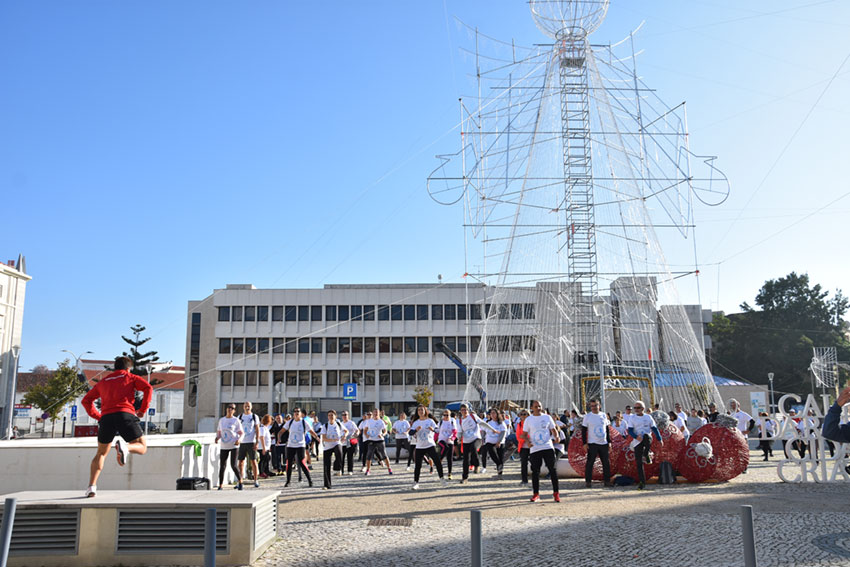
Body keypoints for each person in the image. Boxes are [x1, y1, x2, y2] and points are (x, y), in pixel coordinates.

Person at [81, 356, 152, 498]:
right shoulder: (130, 377)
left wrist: (98, 416)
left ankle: (91, 487)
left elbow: (86, 400)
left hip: (106, 418)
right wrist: (142, 410)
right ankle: (126, 448)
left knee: (101, 453)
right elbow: (148, 388)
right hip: (125, 414)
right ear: (128, 368)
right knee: (141, 447)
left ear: (115, 367)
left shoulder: (103, 382)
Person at [523, 400, 560, 502]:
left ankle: (556, 493)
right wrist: (527, 442)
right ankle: (536, 494)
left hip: (547, 446)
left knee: (552, 470)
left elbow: (554, 429)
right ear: (532, 408)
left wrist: (556, 436)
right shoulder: (528, 420)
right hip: (535, 448)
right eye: (535, 407)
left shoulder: (547, 417)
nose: (538, 408)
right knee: (535, 472)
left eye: (539, 406)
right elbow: (524, 434)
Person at [627, 401, 662, 490]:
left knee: (646, 436)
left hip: (647, 439)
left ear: (643, 409)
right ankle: (642, 482)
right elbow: (630, 430)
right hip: (638, 440)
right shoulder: (632, 418)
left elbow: (654, 428)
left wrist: (659, 439)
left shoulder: (648, 417)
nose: (636, 410)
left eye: (638, 408)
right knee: (639, 463)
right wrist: (635, 436)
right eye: (635, 408)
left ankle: (646, 453)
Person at [410, 405, 445, 490]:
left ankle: (442, 479)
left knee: (437, 462)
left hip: (430, 445)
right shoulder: (416, 422)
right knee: (418, 465)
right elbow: (410, 432)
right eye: (419, 410)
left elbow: (437, 430)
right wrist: (415, 430)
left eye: (422, 410)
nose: (421, 412)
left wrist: (432, 429)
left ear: (425, 411)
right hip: (419, 446)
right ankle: (416, 483)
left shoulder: (430, 421)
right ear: (417, 412)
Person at [582, 399, 611, 488]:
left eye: (596, 405)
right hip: (592, 443)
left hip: (603, 443)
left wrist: (609, 441)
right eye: (592, 406)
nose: (594, 407)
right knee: (590, 463)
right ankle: (588, 481)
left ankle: (607, 481)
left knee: (606, 463)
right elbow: (584, 430)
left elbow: (607, 429)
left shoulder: (603, 415)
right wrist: (584, 443)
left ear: (600, 406)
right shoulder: (587, 416)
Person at [215, 403, 244, 490]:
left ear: (234, 411)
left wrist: (239, 440)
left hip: (234, 445)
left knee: (233, 465)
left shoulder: (236, 421)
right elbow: (219, 432)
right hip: (224, 445)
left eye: (232, 408)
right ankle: (220, 485)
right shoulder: (222, 420)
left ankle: (240, 481)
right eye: (229, 407)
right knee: (222, 465)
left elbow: (242, 433)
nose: (230, 409)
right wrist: (217, 438)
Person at [283, 408, 313, 487]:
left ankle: (310, 480)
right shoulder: (290, 422)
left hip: (300, 445)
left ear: (300, 413)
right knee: (289, 463)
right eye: (295, 411)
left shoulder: (304, 422)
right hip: (291, 445)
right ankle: (288, 481)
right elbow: (281, 431)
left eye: (298, 412)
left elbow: (311, 431)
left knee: (302, 463)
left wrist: (316, 437)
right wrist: (278, 437)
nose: (296, 413)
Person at [320, 409, 347, 489]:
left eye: (332, 415)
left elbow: (346, 431)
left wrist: (344, 436)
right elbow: (324, 438)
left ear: (335, 416)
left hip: (336, 443)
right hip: (328, 446)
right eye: (329, 415)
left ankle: (337, 468)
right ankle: (327, 485)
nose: (331, 417)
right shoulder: (325, 426)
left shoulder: (338, 424)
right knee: (326, 466)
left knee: (339, 452)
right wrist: (332, 440)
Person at [362, 407, 393, 476]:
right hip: (371, 440)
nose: (376, 414)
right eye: (374, 412)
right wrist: (366, 435)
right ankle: (368, 470)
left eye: (377, 413)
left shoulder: (381, 421)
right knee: (369, 455)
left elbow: (385, 431)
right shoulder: (369, 421)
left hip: (380, 440)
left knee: (384, 454)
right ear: (373, 413)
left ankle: (389, 468)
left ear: (379, 414)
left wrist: (382, 434)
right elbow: (365, 430)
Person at [237, 402, 261, 488]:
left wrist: (257, 441)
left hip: (251, 442)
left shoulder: (254, 417)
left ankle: (256, 480)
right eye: (245, 406)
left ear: (251, 407)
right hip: (242, 442)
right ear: (243, 407)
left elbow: (257, 429)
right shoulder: (239, 417)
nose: (247, 408)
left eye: (248, 406)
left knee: (253, 461)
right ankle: (240, 480)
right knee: (241, 462)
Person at [479, 408, 506, 476]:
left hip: (500, 441)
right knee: (492, 454)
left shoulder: (501, 423)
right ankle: (498, 464)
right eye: (491, 413)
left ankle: (499, 472)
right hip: (489, 441)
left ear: (497, 414)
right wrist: (482, 439)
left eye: (494, 413)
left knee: (500, 456)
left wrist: (499, 441)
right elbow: (483, 431)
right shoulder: (488, 423)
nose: (493, 415)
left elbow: (503, 432)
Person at [436, 409, 457, 479]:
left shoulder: (452, 421)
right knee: (445, 447)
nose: (446, 416)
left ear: (450, 415)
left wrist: (453, 438)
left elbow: (455, 431)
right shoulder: (441, 422)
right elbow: (437, 431)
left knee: (449, 458)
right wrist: (434, 440)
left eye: (447, 415)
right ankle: (440, 459)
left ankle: (449, 473)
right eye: (444, 415)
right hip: (441, 439)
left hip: (450, 440)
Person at [339, 411, 359, 475]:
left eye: (346, 415)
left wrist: (356, 434)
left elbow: (357, 430)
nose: (345, 416)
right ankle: (341, 470)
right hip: (342, 442)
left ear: (348, 415)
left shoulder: (351, 423)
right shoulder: (340, 423)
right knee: (341, 457)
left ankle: (350, 470)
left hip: (349, 441)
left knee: (349, 457)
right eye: (343, 415)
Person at [516, 409, 530, 485]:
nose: (523, 416)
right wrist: (525, 438)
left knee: (535, 464)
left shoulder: (531, 423)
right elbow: (518, 436)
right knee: (523, 464)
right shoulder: (520, 424)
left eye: (525, 414)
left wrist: (525, 437)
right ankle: (524, 480)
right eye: (521, 414)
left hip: (532, 445)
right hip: (523, 446)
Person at [258, 414, 273, 479]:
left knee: (267, 458)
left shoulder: (265, 428)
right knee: (262, 460)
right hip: (262, 447)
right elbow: (262, 437)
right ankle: (261, 472)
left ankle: (266, 471)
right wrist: (264, 448)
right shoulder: (262, 428)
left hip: (266, 447)